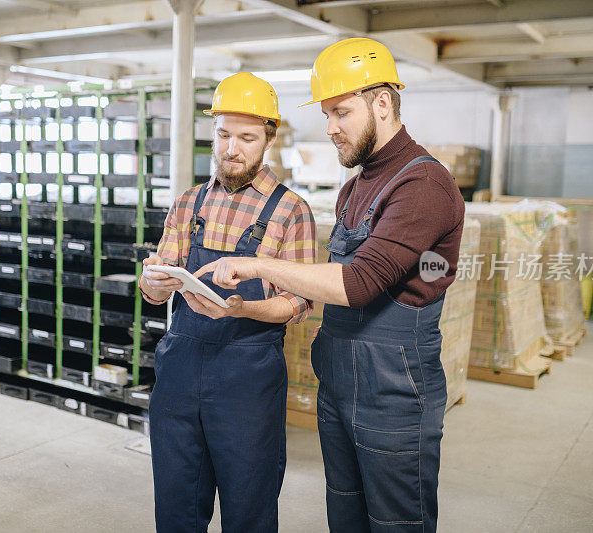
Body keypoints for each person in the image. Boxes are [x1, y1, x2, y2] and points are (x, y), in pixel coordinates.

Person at [195, 38, 465, 532]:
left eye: (341, 112)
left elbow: (358, 283)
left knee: (396, 521)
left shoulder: (422, 185)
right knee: (345, 513)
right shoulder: (357, 184)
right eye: (327, 114)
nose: (331, 128)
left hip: (394, 389)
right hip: (340, 380)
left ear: (382, 103)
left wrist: (258, 265)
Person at [139, 72, 317, 533]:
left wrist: (241, 309)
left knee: (249, 509)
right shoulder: (187, 203)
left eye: (246, 137)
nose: (231, 148)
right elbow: (160, 283)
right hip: (179, 369)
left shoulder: (290, 211)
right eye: (222, 134)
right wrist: (153, 283)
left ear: (269, 140)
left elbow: (295, 304)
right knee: (176, 505)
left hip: (247, 380)